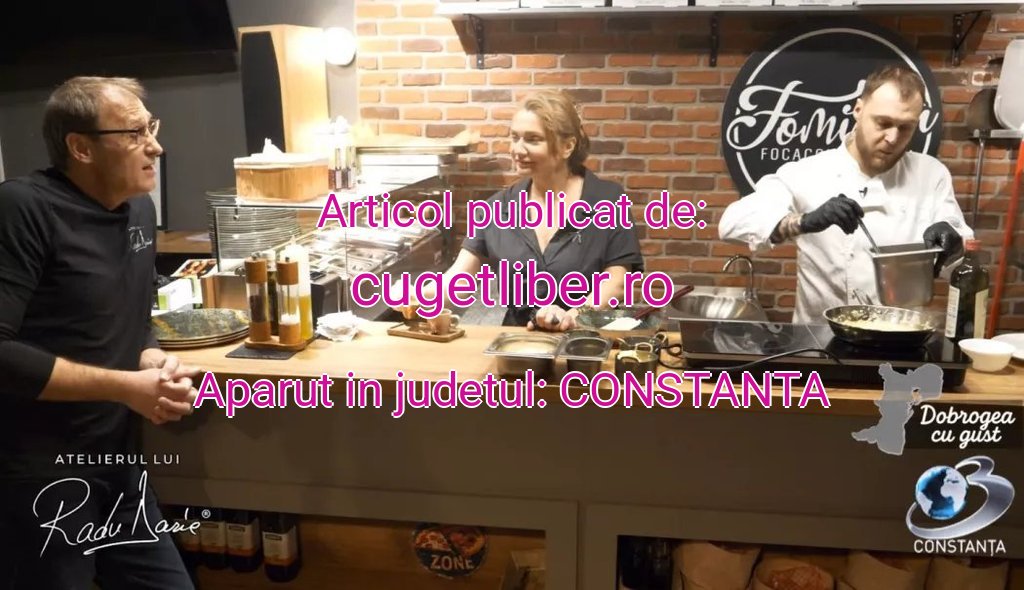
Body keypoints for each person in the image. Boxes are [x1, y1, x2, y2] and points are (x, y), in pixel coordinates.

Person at [0, 77, 200, 589]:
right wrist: (126, 387)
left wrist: (150, 356)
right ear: (81, 147)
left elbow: (130, 315)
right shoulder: (23, 208)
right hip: (40, 472)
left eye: (150, 128)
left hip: (117, 462)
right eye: (134, 133)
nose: (155, 146)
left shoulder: (139, 209)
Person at [718, 64, 973, 324]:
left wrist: (954, 244)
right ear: (858, 110)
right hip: (818, 337)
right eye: (883, 123)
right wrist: (804, 222)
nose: (892, 138)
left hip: (899, 337)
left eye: (905, 127)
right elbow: (732, 223)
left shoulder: (930, 175)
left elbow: (958, 260)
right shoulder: (808, 172)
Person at [396, 89, 644, 331]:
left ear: (567, 146)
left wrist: (573, 316)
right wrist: (416, 295)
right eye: (515, 138)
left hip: (585, 341)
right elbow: (459, 279)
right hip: (518, 341)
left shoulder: (607, 200)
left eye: (533, 139)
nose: (517, 149)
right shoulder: (496, 209)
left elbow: (617, 281)